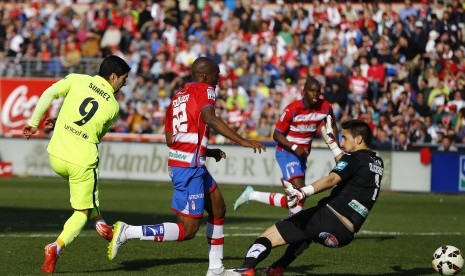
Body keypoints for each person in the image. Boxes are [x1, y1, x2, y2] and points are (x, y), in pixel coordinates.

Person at [108, 57, 266, 276]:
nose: (218, 79)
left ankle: (216, 269)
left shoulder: (177, 97)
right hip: (189, 167)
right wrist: (242, 140)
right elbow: (209, 119)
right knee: (187, 230)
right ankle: (129, 231)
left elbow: (170, 138)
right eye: (216, 74)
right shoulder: (206, 89)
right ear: (204, 76)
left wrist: (205, 151)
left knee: (218, 209)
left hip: (188, 162)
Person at [230, 119, 384, 275]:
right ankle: (277, 268)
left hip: (329, 218)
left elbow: (332, 179)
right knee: (306, 233)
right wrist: (332, 144)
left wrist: (303, 192)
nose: (342, 143)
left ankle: (246, 269)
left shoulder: (354, 158)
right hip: (345, 233)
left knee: (268, 236)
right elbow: (347, 168)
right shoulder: (377, 162)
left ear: (358, 139)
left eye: (344, 138)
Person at [22, 55, 131, 273]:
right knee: (82, 210)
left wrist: (34, 123)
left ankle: (100, 222)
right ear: (112, 76)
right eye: (124, 78)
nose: (125, 83)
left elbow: (49, 93)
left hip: (56, 155)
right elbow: (94, 133)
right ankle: (57, 246)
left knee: (88, 191)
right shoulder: (113, 107)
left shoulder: (77, 79)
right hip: (80, 159)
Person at [233, 76, 338, 215]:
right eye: (312, 91)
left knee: (298, 198)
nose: (315, 94)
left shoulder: (325, 107)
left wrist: (334, 142)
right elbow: (276, 135)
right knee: (300, 189)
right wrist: (295, 148)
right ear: (304, 91)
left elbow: (333, 125)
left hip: (302, 155)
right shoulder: (292, 109)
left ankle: (252, 195)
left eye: (318, 91)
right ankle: (290, 227)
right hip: (287, 152)